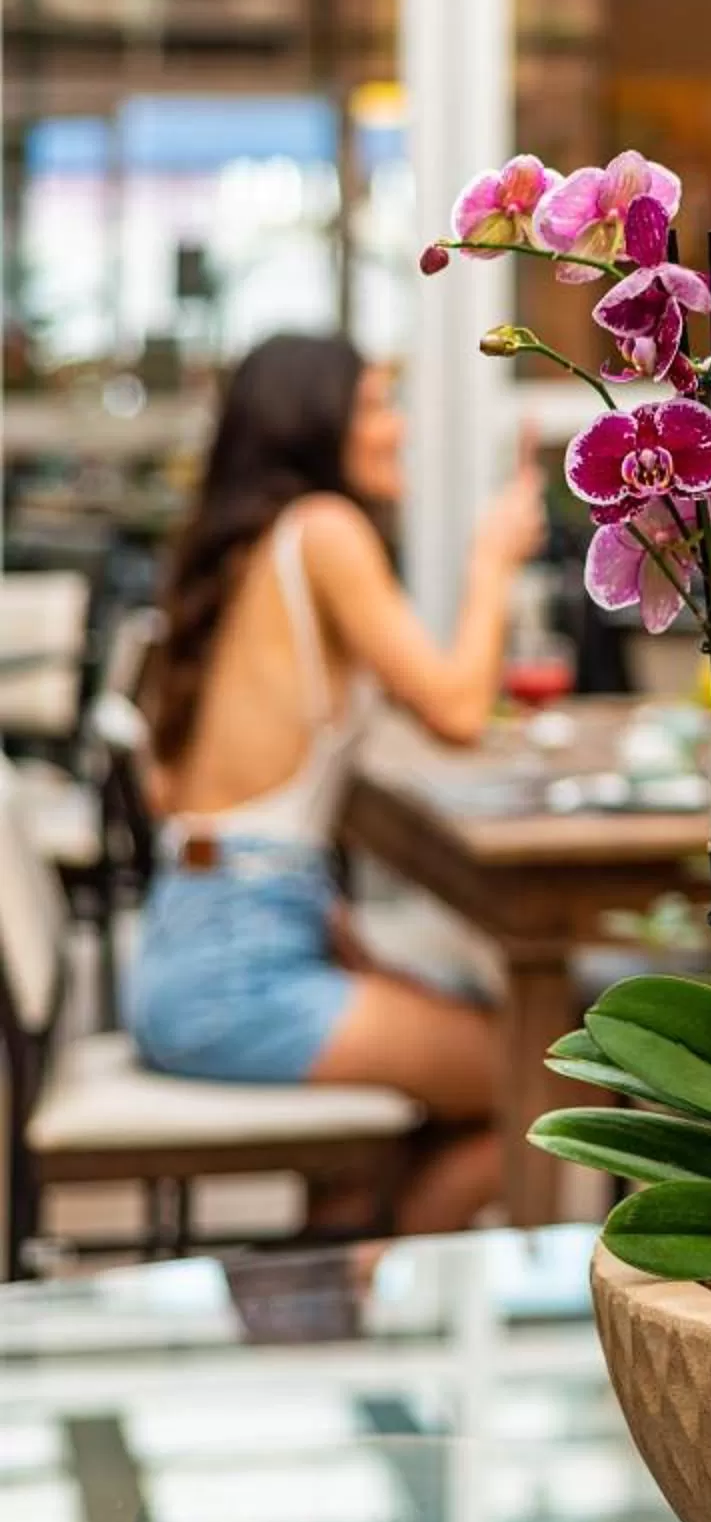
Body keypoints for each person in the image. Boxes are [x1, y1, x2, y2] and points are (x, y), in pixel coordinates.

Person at [134, 333, 545, 1232]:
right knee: (550, 1079)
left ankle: (348, 1275)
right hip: (239, 974)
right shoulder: (323, 530)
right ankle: (384, 1298)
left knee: (453, 1077)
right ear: (314, 424)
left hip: (192, 947)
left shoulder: (244, 551)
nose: (396, 429)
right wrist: (492, 562)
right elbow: (458, 710)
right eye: (374, 406)